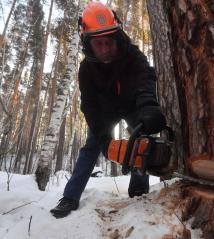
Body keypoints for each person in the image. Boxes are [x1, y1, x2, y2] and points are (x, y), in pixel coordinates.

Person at [50, 2, 166, 219]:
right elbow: (89, 106)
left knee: (142, 142)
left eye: (108, 42)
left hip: (133, 105)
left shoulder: (132, 55)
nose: (104, 49)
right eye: (98, 44)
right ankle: (70, 196)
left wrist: (148, 105)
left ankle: (139, 190)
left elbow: (145, 78)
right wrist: (105, 140)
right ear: (88, 44)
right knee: (91, 147)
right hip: (104, 111)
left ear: (117, 37)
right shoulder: (86, 69)